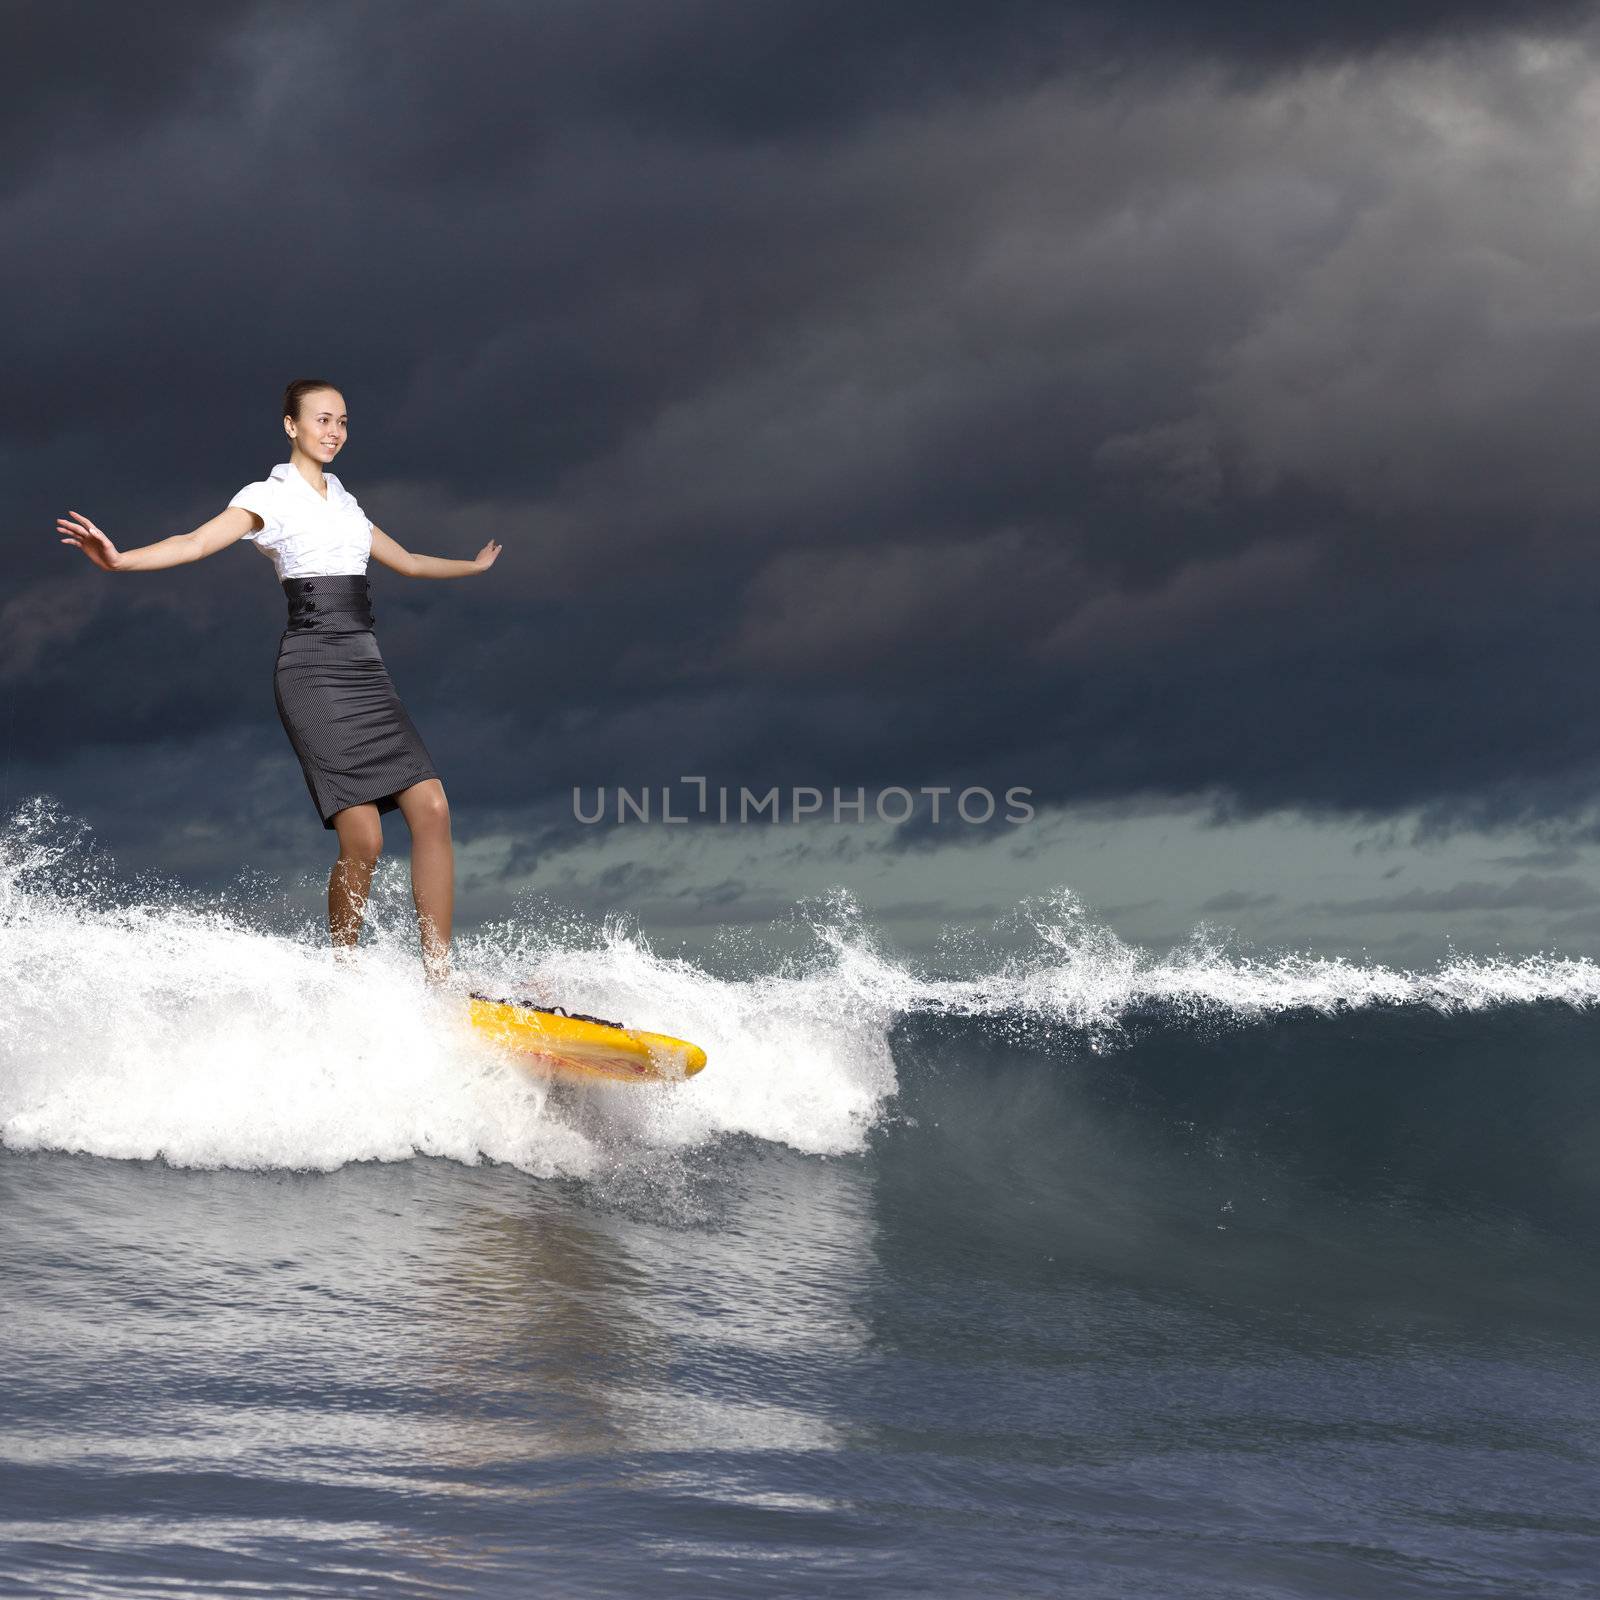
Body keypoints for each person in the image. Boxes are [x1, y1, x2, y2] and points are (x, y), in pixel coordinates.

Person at [56, 378, 501, 985]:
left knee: (433, 808)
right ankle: (346, 975)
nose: (334, 431)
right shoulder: (268, 496)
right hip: (312, 674)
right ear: (291, 425)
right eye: (321, 419)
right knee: (364, 838)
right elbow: (194, 541)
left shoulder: (346, 503)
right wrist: (120, 558)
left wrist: (471, 566)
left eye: (342, 421)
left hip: (368, 673)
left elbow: (413, 562)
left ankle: (441, 981)